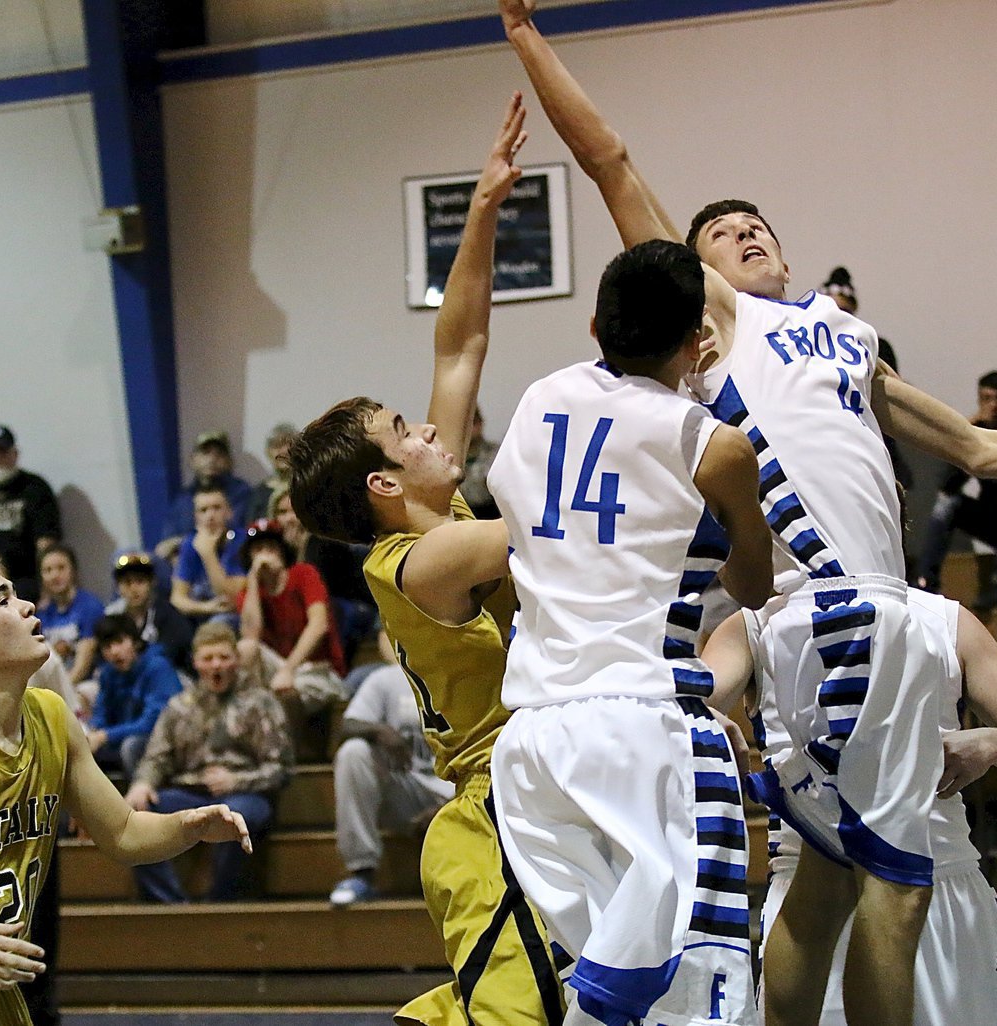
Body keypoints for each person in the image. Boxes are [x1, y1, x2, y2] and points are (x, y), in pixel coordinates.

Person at [494, 7, 997, 1023]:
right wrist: (524, 33)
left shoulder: (846, 337)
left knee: (823, 882)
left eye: (755, 220)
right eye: (720, 233)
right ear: (698, 290)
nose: (745, 231)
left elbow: (982, 449)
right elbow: (608, 159)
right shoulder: (724, 324)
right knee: (891, 883)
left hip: (876, 610)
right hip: (824, 610)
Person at [287, 95, 567, 1026]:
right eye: (404, 431)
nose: (431, 426)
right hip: (490, 821)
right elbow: (547, 525)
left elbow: (461, 339)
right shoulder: (411, 562)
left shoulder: (434, 517)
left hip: (539, 796)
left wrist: (483, 209)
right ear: (380, 483)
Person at [488, 239, 772, 1026]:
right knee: (697, 998)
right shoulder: (712, 444)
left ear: (593, 327)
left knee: (609, 995)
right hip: (643, 728)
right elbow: (754, 585)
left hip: (533, 743)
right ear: (695, 343)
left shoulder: (537, 400)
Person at [701, 588, 997, 1026]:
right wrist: (698, 715)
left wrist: (994, 742)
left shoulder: (944, 618)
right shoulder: (754, 624)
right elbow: (695, 706)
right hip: (810, 892)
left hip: (942, 881)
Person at [0, 550, 251, 1025]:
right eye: (1, 601)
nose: (26, 606)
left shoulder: (51, 716)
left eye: (19, 595)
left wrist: (187, 826)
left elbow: (122, 831)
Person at [125, 621, 292, 903]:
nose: (216, 665)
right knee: (137, 818)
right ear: (196, 663)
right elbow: (157, 757)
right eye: (208, 658)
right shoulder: (180, 706)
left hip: (246, 794)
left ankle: (218, 905)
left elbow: (282, 768)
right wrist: (142, 783)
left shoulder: (260, 703)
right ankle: (174, 907)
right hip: (191, 792)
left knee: (233, 817)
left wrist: (236, 780)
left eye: (224, 657)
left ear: (236, 660)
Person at [915, 371, 997, 603]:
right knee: (948, 504)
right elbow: (947, 486)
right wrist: (964, 438)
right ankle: (925, 581)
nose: (992, 406)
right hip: (992, 521)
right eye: (985, 399)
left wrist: (985, 462)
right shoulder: (980, 432)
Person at [328, 660, 454, 906]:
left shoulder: (466, 677)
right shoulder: (386, 678)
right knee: (353, 752)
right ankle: (361, 872)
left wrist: (450, 808)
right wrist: (379, 730)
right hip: (407, 790)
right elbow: (348, 724)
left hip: (460, 797)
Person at [234, 519, 347, 746]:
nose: (264, 556)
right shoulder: (250, 591)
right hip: (276, 671)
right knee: (245, 649)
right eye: (258, 550)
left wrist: (288, 669)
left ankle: (297, 754)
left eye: (270, 549)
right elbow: (250, 636)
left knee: (286, 691)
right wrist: (254, 581)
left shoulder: (304, 574)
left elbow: (319, 625)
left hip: (318, 670)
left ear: (282, 551)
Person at [820, 267, 913, 491]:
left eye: (843, 310)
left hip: (871, 444)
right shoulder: (808, 349)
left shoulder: (875, 347)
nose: (837, 316)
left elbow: (890, 399)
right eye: (831, 308)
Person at [272, 488, 375, 660]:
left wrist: (303, 545)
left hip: (353, 607)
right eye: (282, 512)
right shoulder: (277, 546)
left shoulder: (325, 540)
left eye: (295, 511)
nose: (289, 518)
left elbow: (316, 588)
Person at [87, 614, 183, 779]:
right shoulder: (108, 673)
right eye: (107, 647)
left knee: (131, 746)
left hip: (163, 741)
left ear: (135, 642)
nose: (114, 652)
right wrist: (94, 732)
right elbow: (101, 714)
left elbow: (153, 723)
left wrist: (105, 736)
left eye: (119, 642)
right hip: (122, 736)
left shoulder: (158, 668)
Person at [0, 426, 61, 605]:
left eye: (2, 452)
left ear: (14, 454)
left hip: (26, 586)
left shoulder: (35, 489)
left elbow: (46, 544)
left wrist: (46, 589)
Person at [157, 431, 254, 553]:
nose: (212, 459)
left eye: (219, 454)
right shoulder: (182, 500)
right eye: (206, 453)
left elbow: (245, 537)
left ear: (229, 461)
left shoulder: (243, 495)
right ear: (193, 460)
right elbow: (166, 545)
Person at [104, 551, 193, 672]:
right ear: (118, 587)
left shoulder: (168, 615)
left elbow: (173, 653)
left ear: (152, 582)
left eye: (140, 581)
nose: (134, 589)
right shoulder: (111, 616)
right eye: (127, 582)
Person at [169, 485, 246, 625]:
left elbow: (231, 599)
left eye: (216, 508)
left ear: (229, 512)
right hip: (205, 611)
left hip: (236, 615)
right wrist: (207, 607)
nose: (210, 516)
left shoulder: (241, 541)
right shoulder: (190, 544)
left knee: (219, 622)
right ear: (196, 517)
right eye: (203, 510)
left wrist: (208, 554)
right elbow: (177, 598)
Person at [35, 545, 104, 689]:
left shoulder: (90, 607)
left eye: (61, 568)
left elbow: (83, 665)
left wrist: (61, 692)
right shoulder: (41, 614)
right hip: (56, 684)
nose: (54, 575)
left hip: (88, 683)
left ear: (73, 571)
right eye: (48, 570)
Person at [246, 422, 298, 523]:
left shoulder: (309, 487)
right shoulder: (259, 494)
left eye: (288, 444)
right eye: (277, 446)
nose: (284, 451)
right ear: (268, 453)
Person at [459, 407, 501, 519]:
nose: (466, 430)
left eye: (471, 424)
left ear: (479, 424)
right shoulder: (450, 458)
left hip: (492, 517)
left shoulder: (496, 455)